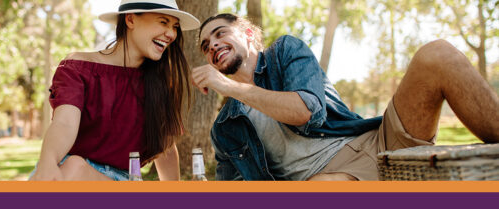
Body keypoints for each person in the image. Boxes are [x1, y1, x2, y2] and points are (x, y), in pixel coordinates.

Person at [191, 13, 499, 181]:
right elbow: (230, 188)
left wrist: (230, 87)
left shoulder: (284, 51)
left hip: (375, 143)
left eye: (220, 33)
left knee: (437, 54)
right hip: (323, 182)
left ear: (247, 33)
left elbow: (306, 111)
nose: (213, 45)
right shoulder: (225, 127)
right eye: (206, 45)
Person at [29, 0, 200, 181]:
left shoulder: (160, 84)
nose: (171, 34)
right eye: (163, 22)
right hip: (65, 172)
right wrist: (47, 163)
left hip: (123, 181)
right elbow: (64, 123)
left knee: (74, 169)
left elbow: (165, 147)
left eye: (175, 27)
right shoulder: (78, 68)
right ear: (130, 20)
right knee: (73, 167)